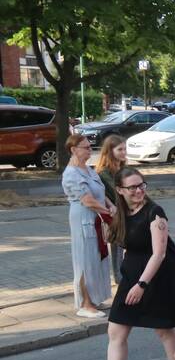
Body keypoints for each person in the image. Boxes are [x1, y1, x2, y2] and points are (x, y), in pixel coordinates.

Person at [79, 168, 175, 360]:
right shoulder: (123, 212)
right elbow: (128, 243)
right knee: (116, 330)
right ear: (120, 191)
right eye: (132, 187)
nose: (139, 190)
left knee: (163, 329)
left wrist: (142, 284)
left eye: (142, 185)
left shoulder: (155, 213)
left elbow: (159, 254)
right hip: (133, 276)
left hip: (157, 276)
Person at [61, 133, 114, 318]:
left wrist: (111, 205)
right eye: (86, 147)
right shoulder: (71, 174)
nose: (90, 149)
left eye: (90, 146)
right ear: (73, 150)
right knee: (85, 260)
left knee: (97, 258)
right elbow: (88, 200)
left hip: (96, 216)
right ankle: (85, 304)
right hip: (83, 217)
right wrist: (109, 212)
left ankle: (95, 298)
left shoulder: (88, 169)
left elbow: (100, 192)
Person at [95, 134, 128, 283]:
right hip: (114, 215)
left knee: (121, 245)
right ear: (110, 151)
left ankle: (122, 274)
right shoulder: (104, 172)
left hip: (124, 212)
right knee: (118, 245)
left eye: (125, 149)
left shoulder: (122, 168)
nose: (124, 152)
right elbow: (116, 191)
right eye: (119, 149)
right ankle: (119, 277)